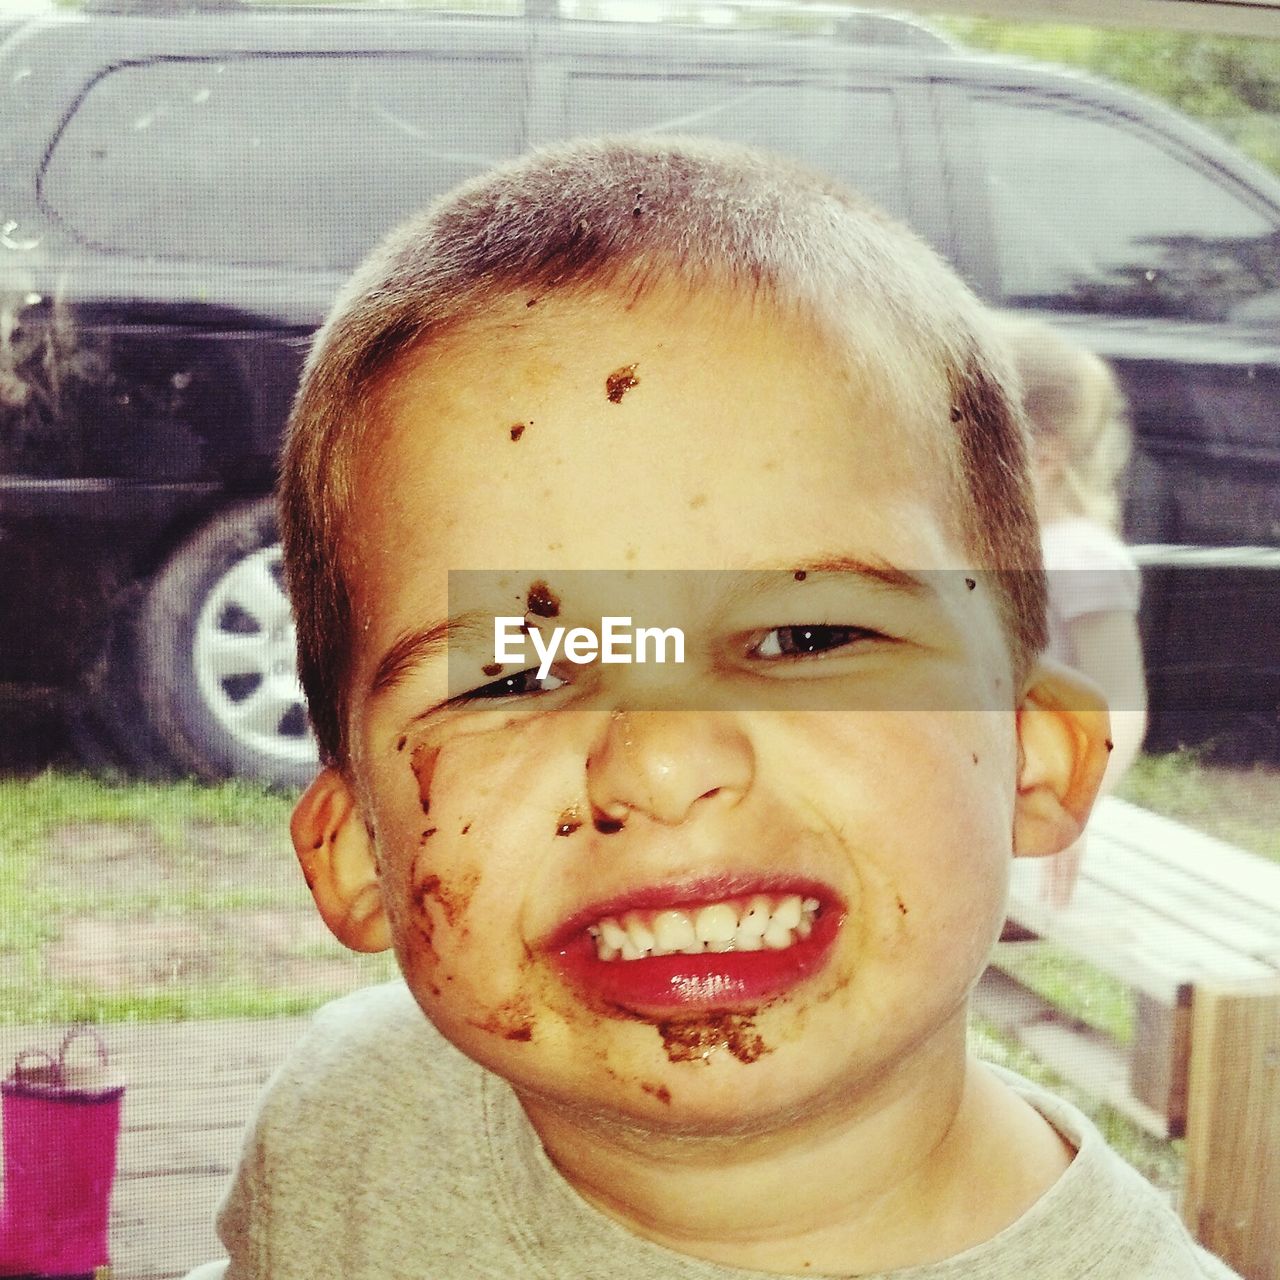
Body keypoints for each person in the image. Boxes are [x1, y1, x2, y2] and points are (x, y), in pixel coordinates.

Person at [185, 138, 1238, 1278]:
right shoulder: (351, 1117)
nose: (664, 759)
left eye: (802, 636)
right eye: (518, 673)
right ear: (354, 853)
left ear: (1031, 756)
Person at [999, 317, 1148, 907]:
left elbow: (1124, 703)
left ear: (1043, 457)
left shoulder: (1082, 556)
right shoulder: (995, 547)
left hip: (1051, 792)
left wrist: (1076, 806)